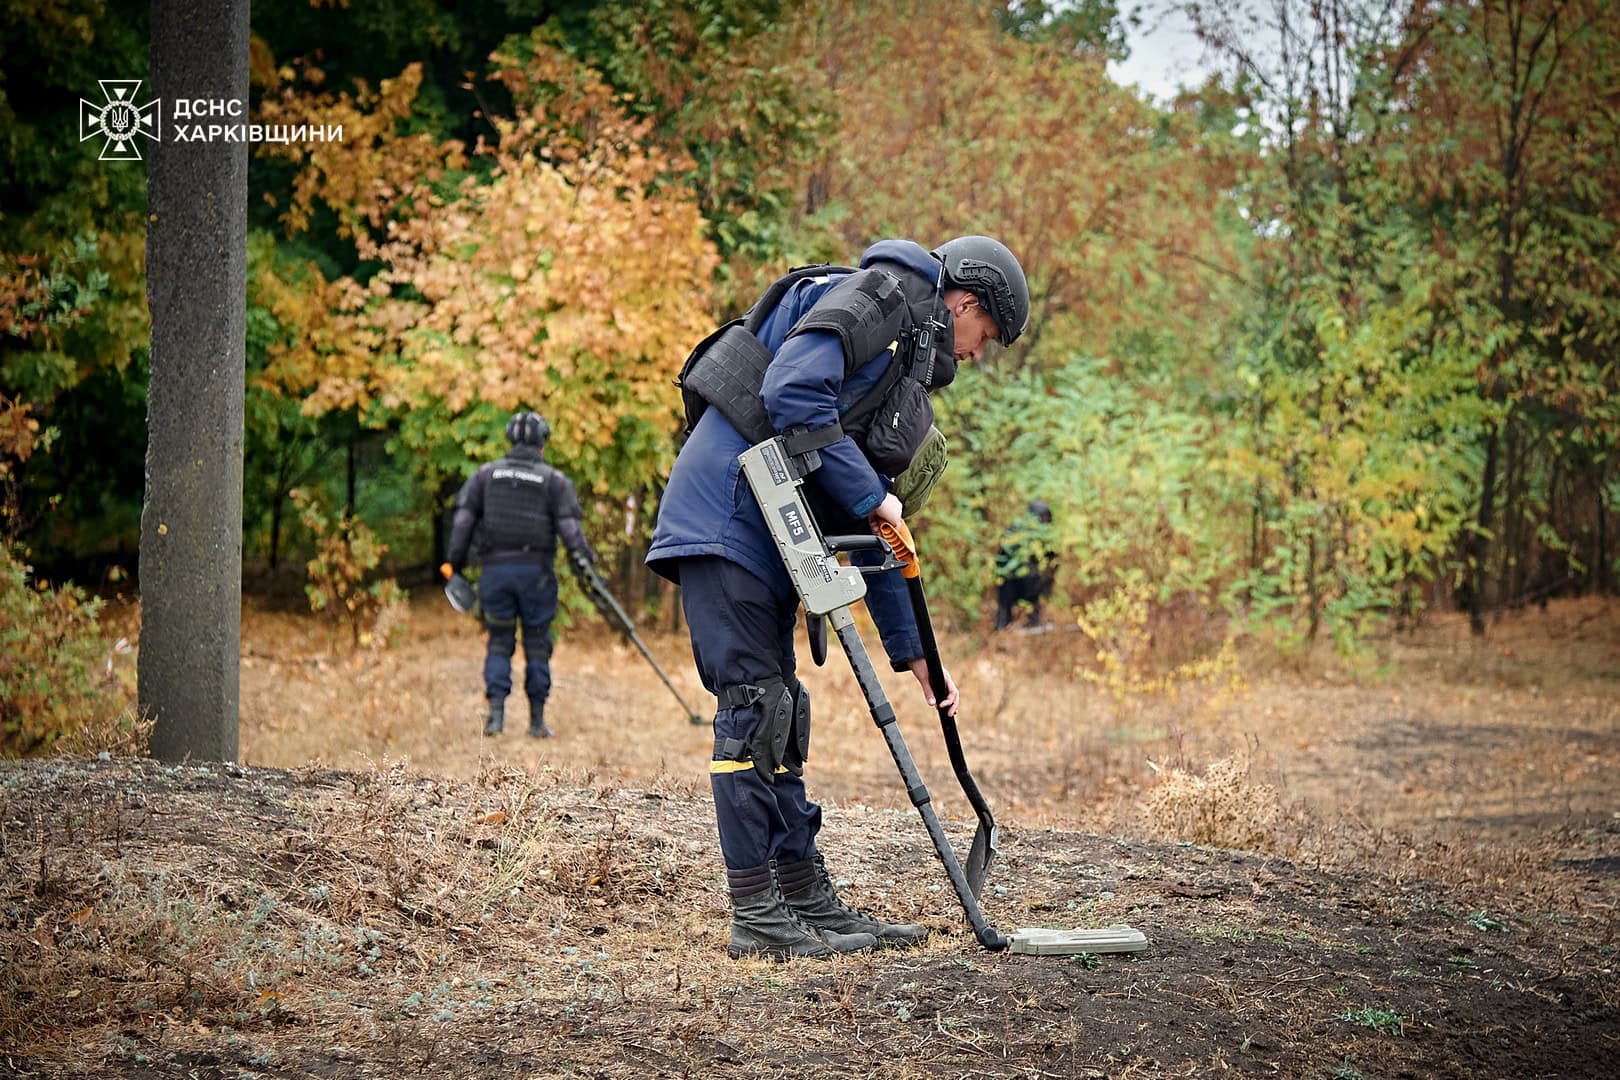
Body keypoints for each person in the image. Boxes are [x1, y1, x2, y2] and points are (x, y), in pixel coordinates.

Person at [648, 236, 1030, 959]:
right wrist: (872, 494)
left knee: (782, 715)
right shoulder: (882, 295)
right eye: (988, 337)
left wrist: (916, 656)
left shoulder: (896, 368)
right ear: (967, 302)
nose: (980, 354)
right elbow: (790, 390)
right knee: (754, 713)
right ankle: (757, 914)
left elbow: (870, 529)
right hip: (725, 517)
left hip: (762, 535)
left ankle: (805, 900)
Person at [446, 410, 597, 739]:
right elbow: (572, 533)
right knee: (537, 645)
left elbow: (461, 524)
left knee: (499, 643)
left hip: (495, 575)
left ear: (510, 439)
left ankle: (496, 718)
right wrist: (587, 567)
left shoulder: (485, 476)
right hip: (536, 578)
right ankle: (537, 722)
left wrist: (453, 566)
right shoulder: (554, 482)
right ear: (542, 444)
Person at [994, 499, 1057, 630]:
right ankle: (1011, 624)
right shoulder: (1022, 529)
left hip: (1018, 580)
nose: (1046, 521)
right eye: (1044, 517)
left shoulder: (1028, 529)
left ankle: (1027, 622)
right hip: (1012, 580)